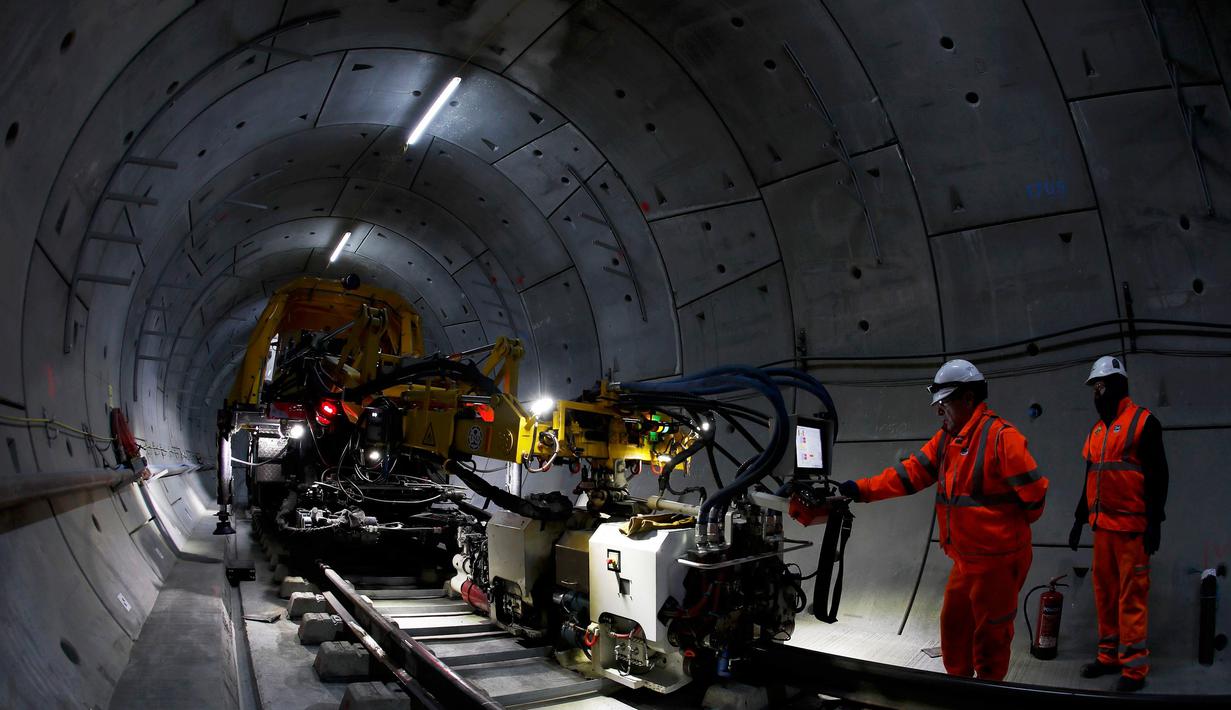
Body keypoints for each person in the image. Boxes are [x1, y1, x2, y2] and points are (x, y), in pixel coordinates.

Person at [838, 359, 1048, 680]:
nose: (939, 412)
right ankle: (958, 690)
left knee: (990, 639)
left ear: (967, 399)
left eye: (944, 403)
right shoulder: (948, 439)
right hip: (965, 561)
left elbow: (1035, 497)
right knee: (953, 629)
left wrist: (1005, 539)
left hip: (998, 564)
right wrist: (861, 489)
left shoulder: (1001, 438)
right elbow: (910, 474)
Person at [1067, 355, 1168, 692]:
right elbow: (1090, 477)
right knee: (1105, 594)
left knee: (1132, 597)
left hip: (1133, 532)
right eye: (1095, 388)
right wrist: (1079, 520)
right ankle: (1108, 657)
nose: (1098, 394)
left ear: (1117, 387)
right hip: (1103, 530)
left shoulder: (1144, 422)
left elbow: (1158, 477)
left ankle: (1134, 670)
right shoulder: (1097, 430)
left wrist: (1154, 523)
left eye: (1102, 386)